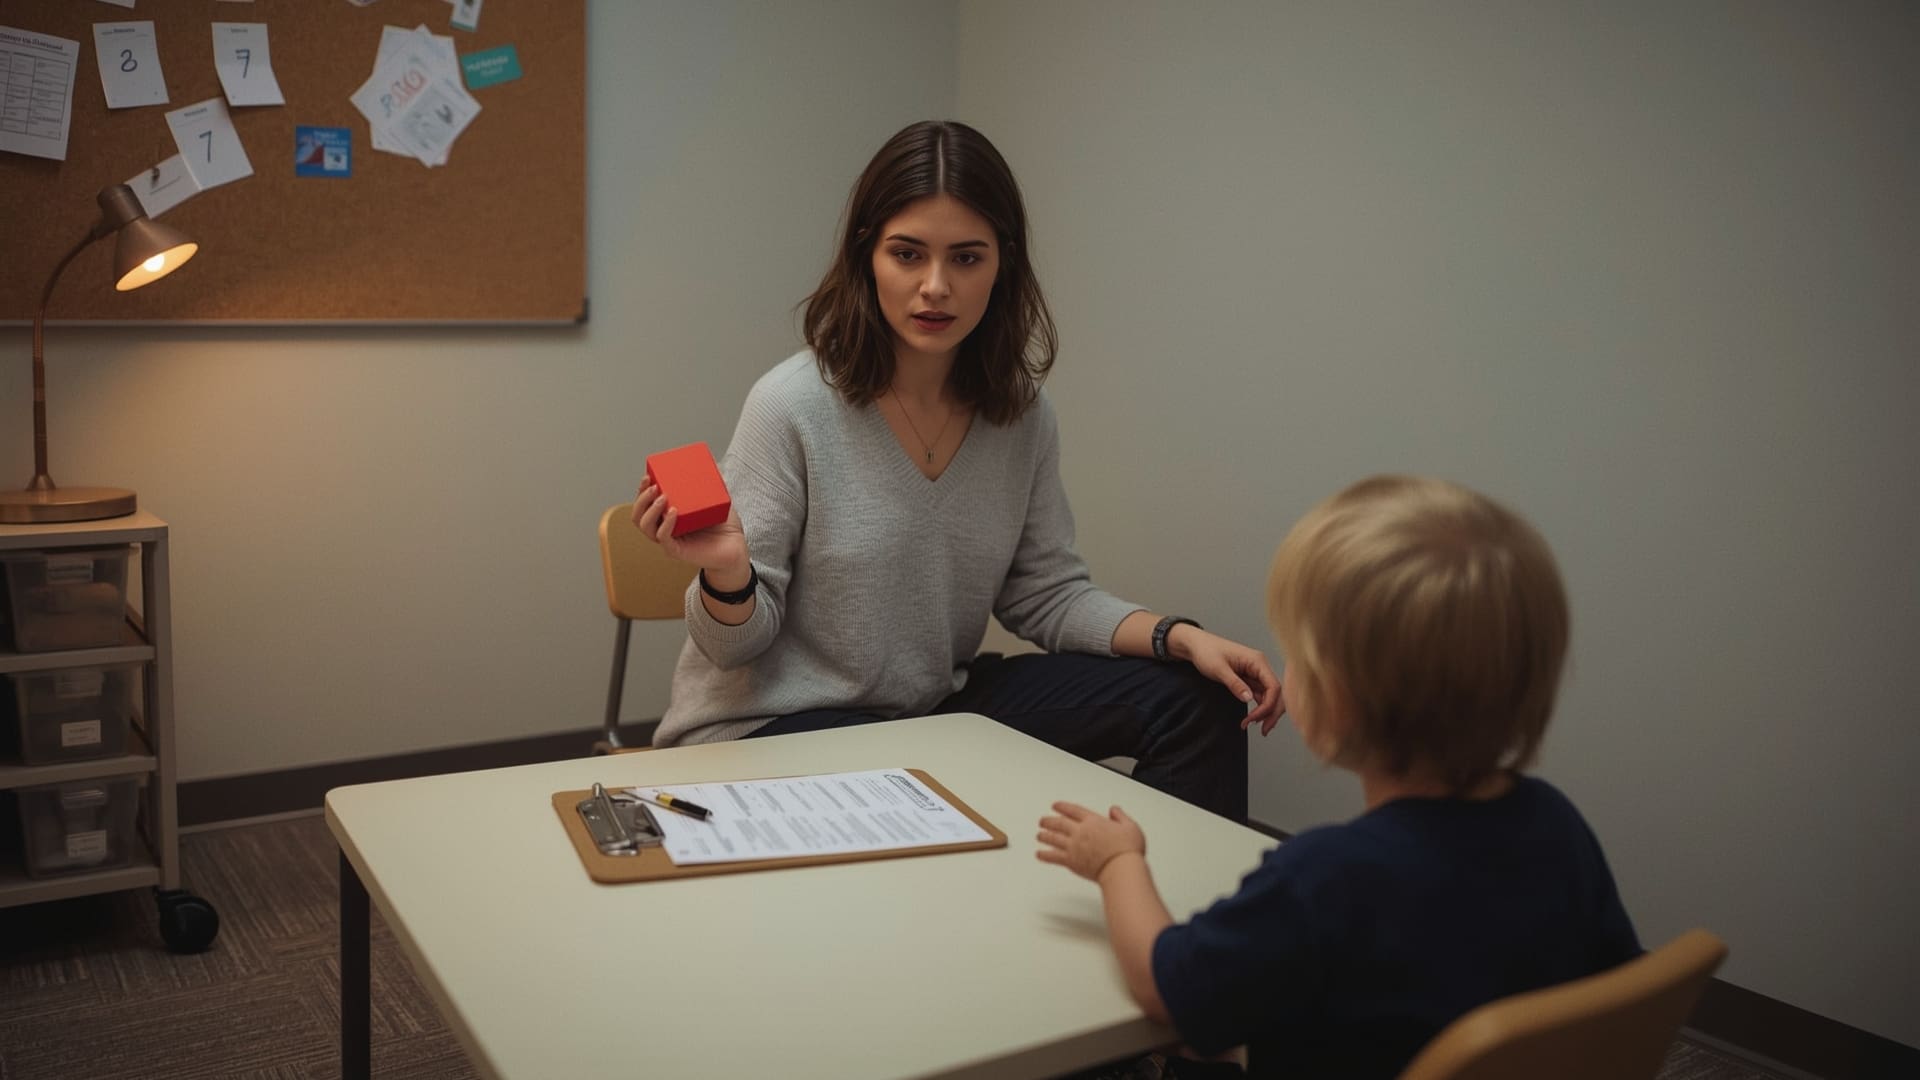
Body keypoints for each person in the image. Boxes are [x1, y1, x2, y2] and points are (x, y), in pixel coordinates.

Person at [630, 120, 1280, 820]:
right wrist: (729, 573)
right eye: (907, 254)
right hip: (774, 723)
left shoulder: (1021, 414)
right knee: (913, 796)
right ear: (866, 257)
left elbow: (1048, 594)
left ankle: (1169, 919)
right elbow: (731, 651)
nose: (934, 287)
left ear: (1002, 265)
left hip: (929, 710)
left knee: (1198, 700)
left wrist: (1179, 638)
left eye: (966, 259)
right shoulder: (790, 405)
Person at [1037, 475, 1642, 1079]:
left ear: (1337, 702)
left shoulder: (1324, 881)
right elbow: (1612, 997)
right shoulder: (1557, 826)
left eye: (1297, 652)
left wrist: (1118, 865)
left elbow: (1163, 989)